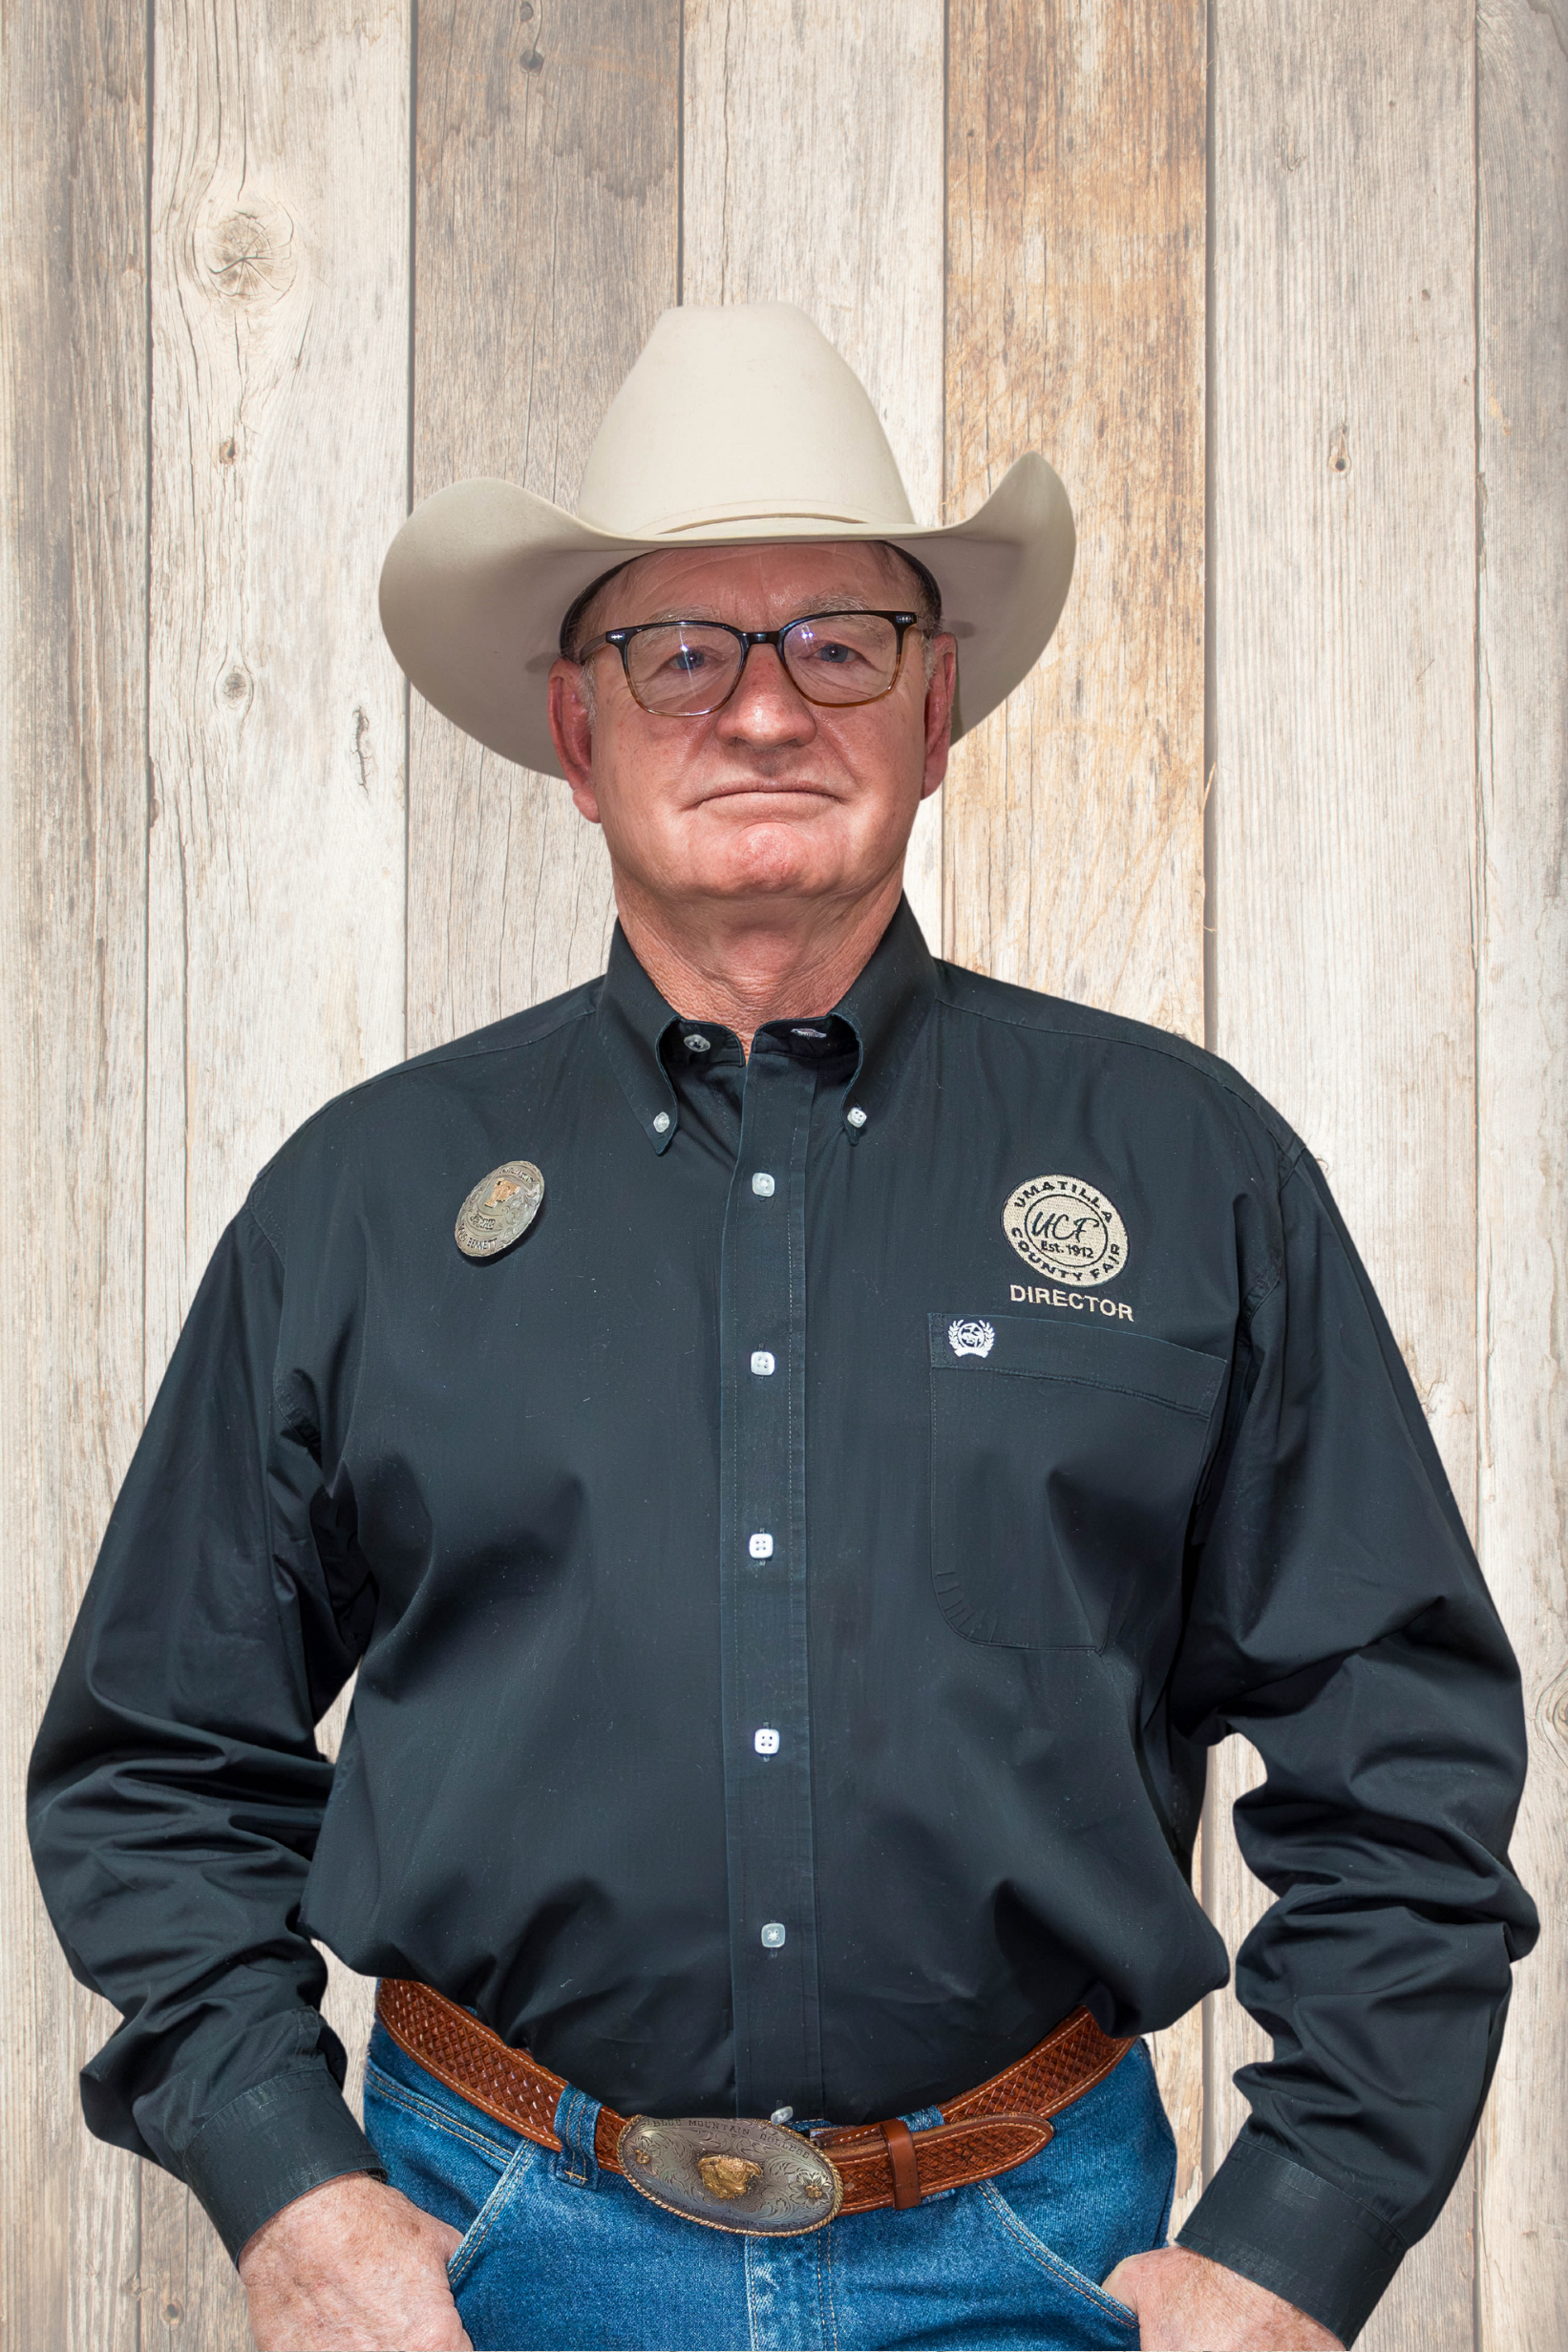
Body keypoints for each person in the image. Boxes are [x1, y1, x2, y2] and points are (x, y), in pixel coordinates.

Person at [29, 304, 1535, 2352]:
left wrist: (1299, 2234)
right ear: (578, 734)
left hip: (1031, 2263)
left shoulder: (1185, 1169)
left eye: (838, 641)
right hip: (485, 2265)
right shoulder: (365, 1200)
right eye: (681, 650)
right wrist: (289, 2191)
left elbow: (1402, 1753)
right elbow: (153, 1758)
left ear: (936, 713)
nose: (761, 709)